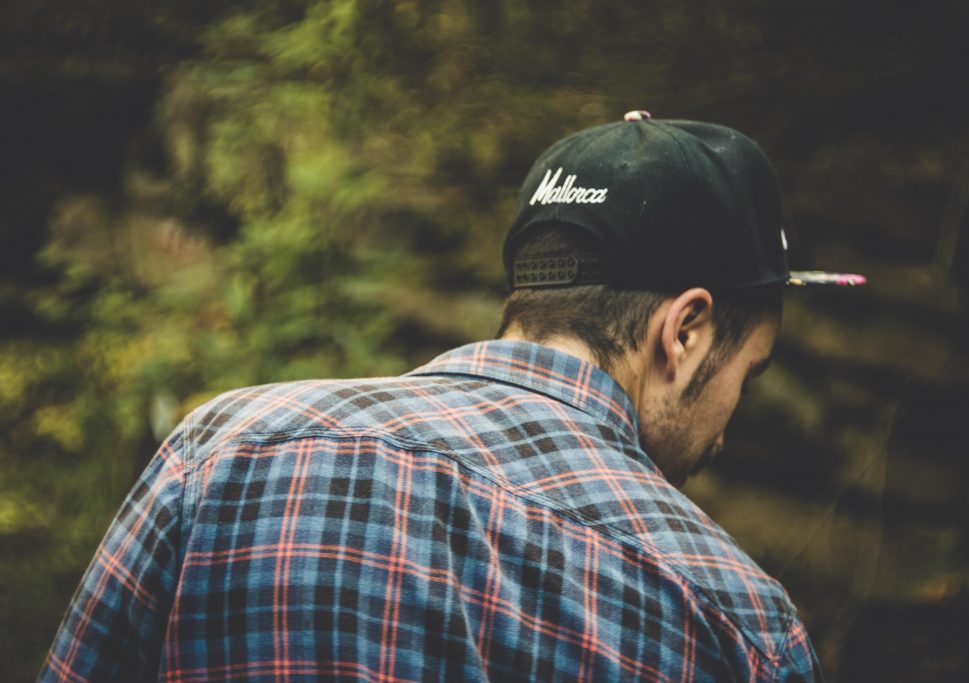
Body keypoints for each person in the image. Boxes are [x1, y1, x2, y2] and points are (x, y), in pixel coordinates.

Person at [40, 111, 864, 682]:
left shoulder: (223, 451)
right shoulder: (737, 621)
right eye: (746, 376)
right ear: (684, 333)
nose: (725, 432)